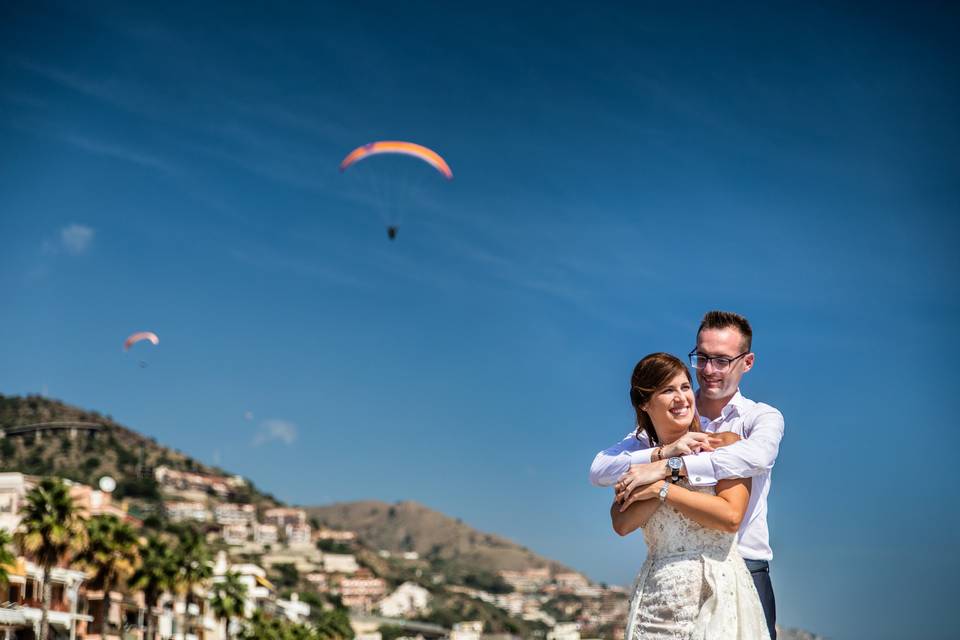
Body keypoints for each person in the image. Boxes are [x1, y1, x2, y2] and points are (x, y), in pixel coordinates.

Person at [591, 311, 783, 639]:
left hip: (740, 567)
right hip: (660, 589)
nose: (708, 370)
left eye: (721, 360)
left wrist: (666, 474)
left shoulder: (755, 420)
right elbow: (601, 472)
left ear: (747, 362)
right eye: (702, 358)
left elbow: (757, 459)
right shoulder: (657, 430)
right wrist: (662, 453)